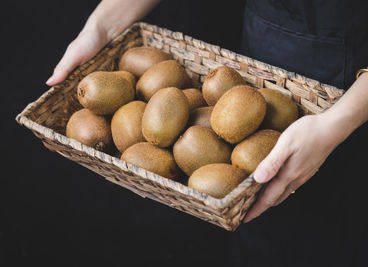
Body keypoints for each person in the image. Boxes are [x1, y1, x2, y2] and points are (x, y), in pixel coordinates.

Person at [46, 0, 368, 264]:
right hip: (264, 47)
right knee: (261, 229)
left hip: (352, 85)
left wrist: (339, 121)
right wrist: (103, 24)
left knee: (328, 234)